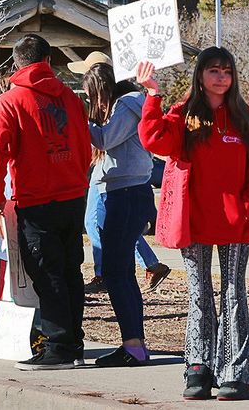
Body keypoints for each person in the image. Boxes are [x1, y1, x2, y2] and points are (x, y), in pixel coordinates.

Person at [137, 48, 249, 401]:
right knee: (199, 293)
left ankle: (235, 373)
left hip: (234, 224)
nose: (221, 77)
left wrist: (245, 209)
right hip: (192, 221)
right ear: (200, 75)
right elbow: (154, 139)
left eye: (227, 71)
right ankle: (198, 368)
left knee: (233, 294)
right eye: (214, 70)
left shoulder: (244, 117)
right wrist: (152, 95)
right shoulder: (184, 114)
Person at [0, 34, 92, 370]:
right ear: (47, 61)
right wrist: (77, 178)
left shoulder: (10, 101)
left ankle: (59, 346)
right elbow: (85, 144)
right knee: (70, 270)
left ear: (17, 64)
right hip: (73, 193)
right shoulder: (70, 97)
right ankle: (72, 341)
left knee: (47, 272)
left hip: (36, 197)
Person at [79, 61, 166, 367]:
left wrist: (80, 120)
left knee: (115, 273)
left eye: (91, 96)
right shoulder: (127, 104)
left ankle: (133, 346)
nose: (91, 103)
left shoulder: (127, 104)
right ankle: (135, 345)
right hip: (125, 192)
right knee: (123, 273)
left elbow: (105, 139)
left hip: (127, 194)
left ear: (102, 88)